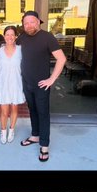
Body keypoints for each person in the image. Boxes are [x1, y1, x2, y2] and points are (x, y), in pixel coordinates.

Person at [16, 11, 66, 161]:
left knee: (43, 114)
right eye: (26, 23)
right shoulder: (22, 38)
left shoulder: (47, 37)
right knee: (33, 111)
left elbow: (61, 59)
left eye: (32, 22)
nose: (29, 25)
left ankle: (44, 146)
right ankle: (35, 136)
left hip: (42, 85)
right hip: (27, 83)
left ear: (38, 21)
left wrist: (51, 79)